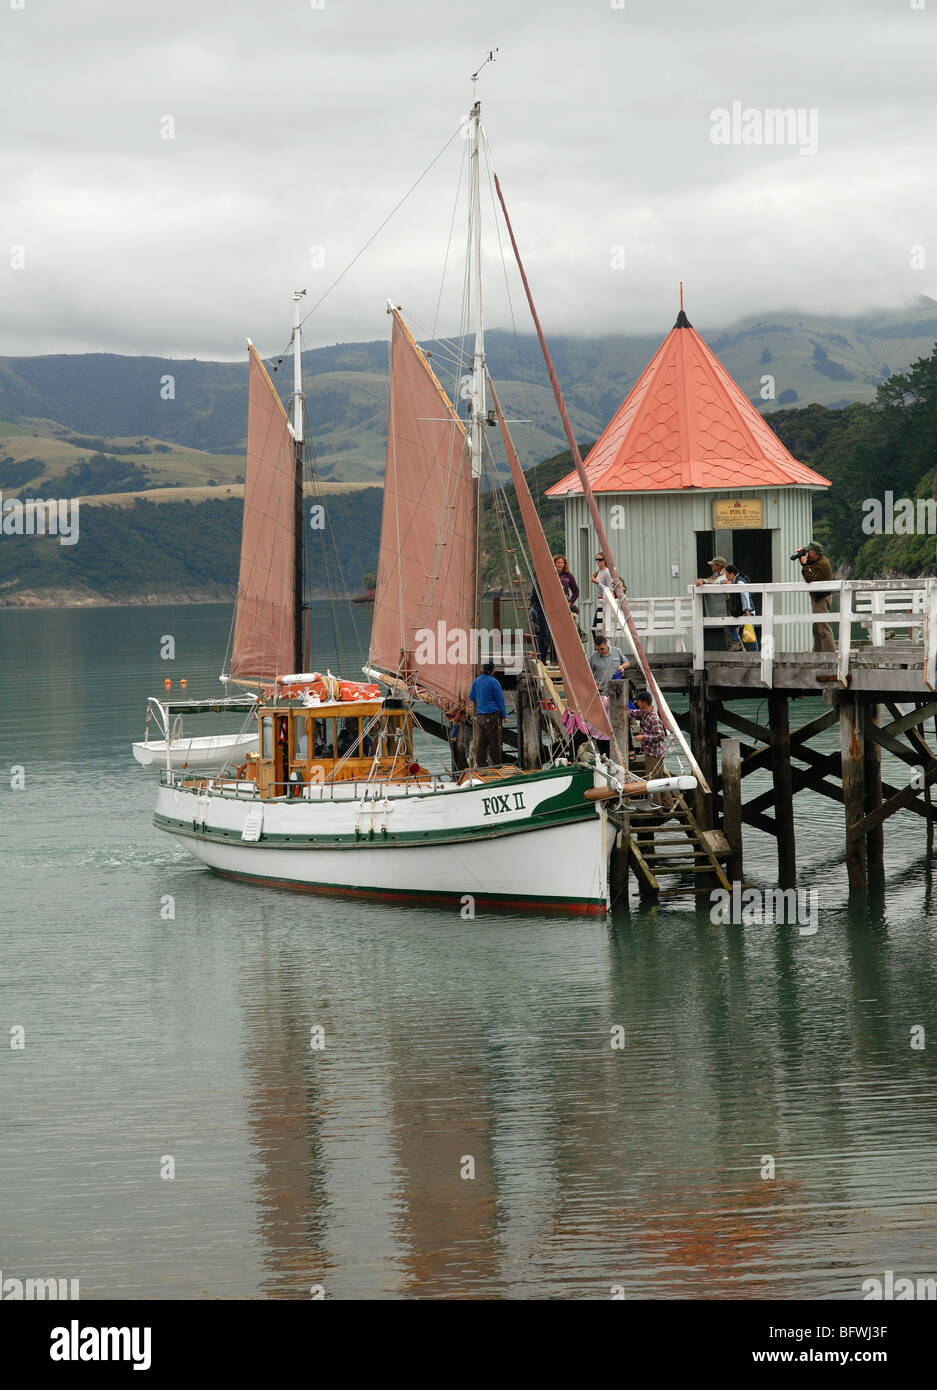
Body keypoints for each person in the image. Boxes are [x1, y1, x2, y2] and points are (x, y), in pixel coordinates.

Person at [633, 689, 675, 811]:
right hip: (655, 753)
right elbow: (634, 713)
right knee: (660, 778)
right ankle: (668, 805)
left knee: (652, 780)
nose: (637, 704)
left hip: (653, 754)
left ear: (644, 703)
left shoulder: (653, 718)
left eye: (639, 702)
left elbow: (661, 735)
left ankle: (657, 808)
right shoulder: (644, 713)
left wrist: (643, 737)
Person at [797, 541, 835, 652]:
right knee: (817, 627)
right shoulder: (818, 560)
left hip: (822, 598)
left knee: (823, 627)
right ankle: (817, 652)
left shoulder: (822, 564)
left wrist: (804, 564)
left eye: (809, 551)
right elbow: (811, 565)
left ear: (815, 553)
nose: (807, 553)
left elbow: (809, 579)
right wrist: (802, 556)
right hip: (818, 597)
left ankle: (829, 654)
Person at [468, 660, 506, 767]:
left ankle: (481, 763)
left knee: (482, 741)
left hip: (480, 716)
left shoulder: (476, 681)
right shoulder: (494, 682)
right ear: (492, 670)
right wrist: (504, 715)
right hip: (491, 715)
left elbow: (471, 697)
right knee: (494, 741)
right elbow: (500, 700)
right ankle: (497, 764)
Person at [694, 554, 733, 649]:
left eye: (713, 565)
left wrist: (703, 581)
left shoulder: (724, 574)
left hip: (730, 602)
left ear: (719, 566)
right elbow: (711, 579)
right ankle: (733, 650)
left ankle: (736, 649)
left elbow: (716, 581)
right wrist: (703, 581)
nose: (712, 566)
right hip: (725, 602)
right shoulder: (717, 574)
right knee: (728, 627)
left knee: (731, 627)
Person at [723, 563, 759, 652]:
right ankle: (746, 647)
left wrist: (747, 610)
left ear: (731, 574)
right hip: (743, 611)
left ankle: (752, 650)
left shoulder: (739, 582)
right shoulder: (736, 580)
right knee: (745, 629)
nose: (726, 577)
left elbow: (745, 596)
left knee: (749, 631)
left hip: (746, 611)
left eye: (727, 575)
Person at [528, 584, 554, 663]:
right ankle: (540, 661)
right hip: (538, 632)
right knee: (539, 647)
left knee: (545, 646)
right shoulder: (532, 611)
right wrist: (536, 626)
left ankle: (543, 660)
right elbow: (530, 621)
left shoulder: (543, 611)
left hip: (545, 632)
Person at [591, 551, 613, 637]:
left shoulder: (607, 572)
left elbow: (610, 589)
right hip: (600, 602)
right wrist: (594, 577)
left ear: (605, 561)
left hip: (604, 603)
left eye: (600, 559)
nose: (598, 561)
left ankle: (600, 648)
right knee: (597, 629)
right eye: (596, 559)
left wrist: (597, 582)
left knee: (596, 628)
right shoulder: (600, 571)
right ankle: (599, 648)